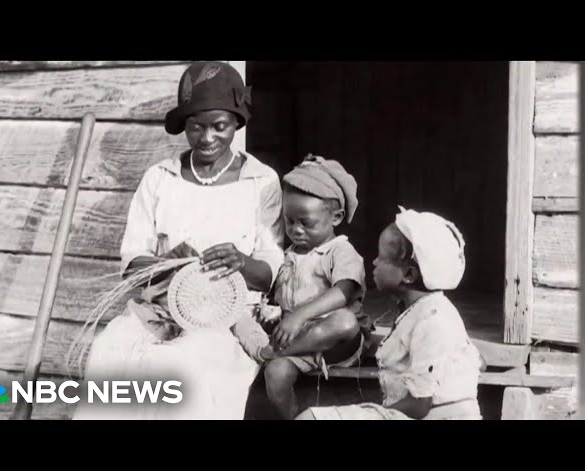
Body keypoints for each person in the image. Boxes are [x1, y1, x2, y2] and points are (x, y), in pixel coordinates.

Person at [71, 61, 284, 420]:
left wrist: (241, 262)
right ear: (183, 125)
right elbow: (133, 264)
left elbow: (269, 274)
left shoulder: (260, 181)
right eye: (196, 126)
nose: (207, 138)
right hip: (157, 309)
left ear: (237, 124)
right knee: (110, 349)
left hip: (226, 321)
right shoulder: (160, 178)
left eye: (220, 127)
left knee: (181, 366)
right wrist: (166, 261)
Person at [295, 207, 484, 420]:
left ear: (409, 275)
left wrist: (369, 413)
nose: (374, 262)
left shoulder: (434, 319)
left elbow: (419, 404)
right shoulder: (416, 311)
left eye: (381, 258)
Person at [260, 154, 367, 420]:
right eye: (290, 221)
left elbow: (343, 292)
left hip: (335, 343)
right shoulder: (287, 255)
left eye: (306, 222)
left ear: (336, 217)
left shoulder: (340, 251)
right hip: (298, 345)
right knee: (275, 373)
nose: (296, 230)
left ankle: (276, 351)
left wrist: (300, 315)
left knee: (345, 321)